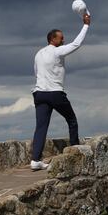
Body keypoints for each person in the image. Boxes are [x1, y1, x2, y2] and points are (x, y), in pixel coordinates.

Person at [30, 13, 91, 170]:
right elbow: (76, 44)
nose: (63, 40)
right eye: (61, 38)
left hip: (39, 93)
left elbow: (36, 72)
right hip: (55, 93)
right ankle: (75, 151)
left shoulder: (38, 54)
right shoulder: (57, 51)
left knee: (41, 126)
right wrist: (86, 25)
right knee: (71, 119)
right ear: (52, 39)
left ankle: (35, 160)